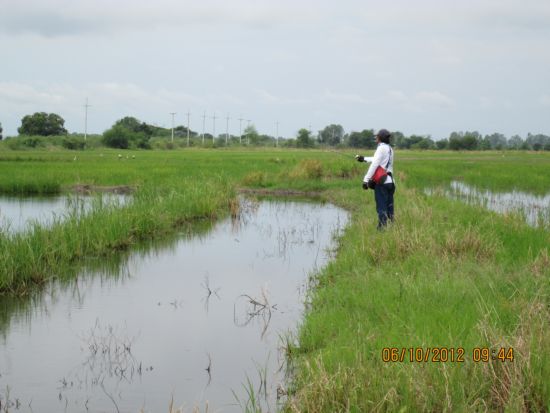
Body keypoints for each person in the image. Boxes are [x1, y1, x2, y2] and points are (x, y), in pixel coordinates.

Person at [356, 129, 395, 229]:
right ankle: (393, 227)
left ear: (380, 138)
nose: (376, 138)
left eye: (377, 136)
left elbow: (375, 164)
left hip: (382, 182)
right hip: (390, 182)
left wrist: (366, 179)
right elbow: (377, 159)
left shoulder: (381, 148)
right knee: (389, 205)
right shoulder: (390, 149)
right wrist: (363, 159)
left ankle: (381, 229)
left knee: (381, 206)